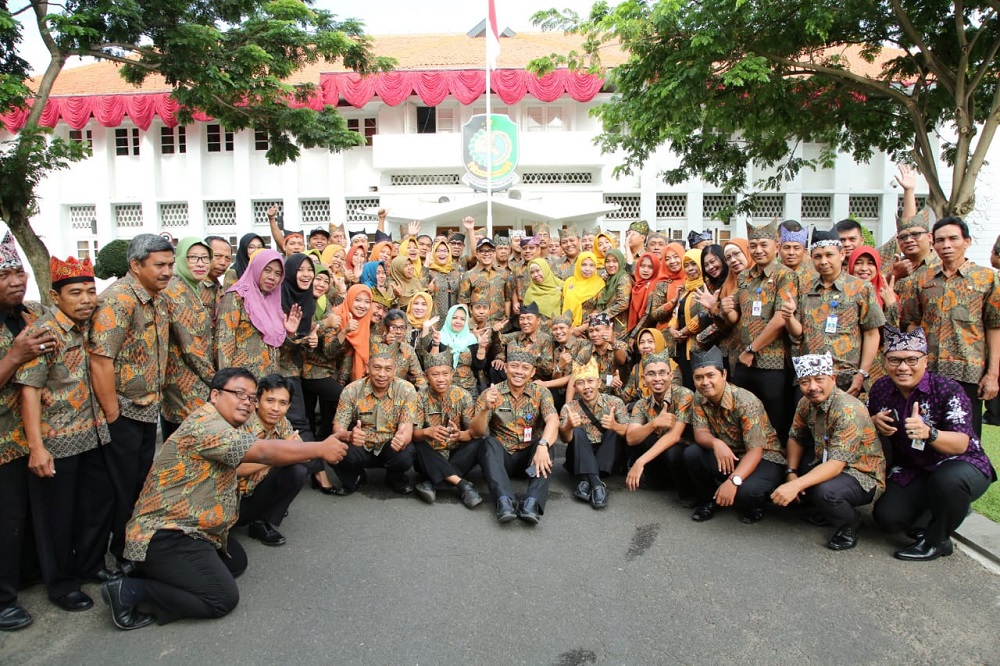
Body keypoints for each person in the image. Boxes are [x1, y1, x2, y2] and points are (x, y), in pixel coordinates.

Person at [101, 368, 348, 630]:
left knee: (235, 562)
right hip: (166, 532)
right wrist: (319, 448)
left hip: (199, 528)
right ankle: (129, 591)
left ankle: (149, 571)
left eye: (252, 398)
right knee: (221, 598)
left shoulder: (228, 424)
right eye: (239, 394)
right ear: (215, 395)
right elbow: (262, 452)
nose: (247, 402)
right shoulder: (208, 426)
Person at [17, 256, 110, 613]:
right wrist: (37, 448)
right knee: (57, 517)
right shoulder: (44, 333)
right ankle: (61, 584)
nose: (86, 299)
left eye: (90, 291)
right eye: (76, 293)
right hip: (57, 440)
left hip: (95, 433)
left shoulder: (91, 326)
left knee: (95, 507)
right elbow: (29, 390)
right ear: (56, 297)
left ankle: (89, 565)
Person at [868, 327, 997, 561]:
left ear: (925, 361)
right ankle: (945, 510)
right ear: (885, 361)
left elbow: (960, 444)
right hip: (914, 468)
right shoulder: (881, 388)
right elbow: (863, 426)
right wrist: (873, 421)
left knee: (948, 481)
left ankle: (937, 542)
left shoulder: (948, 389)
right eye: (895, 360)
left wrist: (931, 433)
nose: (903, 367)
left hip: (960, 463)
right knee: (888, 518)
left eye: (911, 360)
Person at [90, 234, 174, 570]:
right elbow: (100, 359)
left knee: (139, 484)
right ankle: (114, 557)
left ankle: (133, 549)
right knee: (120, 489)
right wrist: (112, 414)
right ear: (136, 265)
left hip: (147, 409)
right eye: (160, 265)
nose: (168, 271)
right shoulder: (118, 300)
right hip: (122, 412)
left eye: (170, 264)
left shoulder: (156, 298)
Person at [0, 241, 66, 629]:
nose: (14, 282)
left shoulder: (32, 314)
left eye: (18, 274)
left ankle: (26, 573)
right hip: (3, 442)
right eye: (4, 276)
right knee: (5, 520)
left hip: (36, 435)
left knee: (28, 515)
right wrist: (14, 356)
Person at [770, 352, 885, 551]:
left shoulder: (848, 409)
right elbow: (795, 437)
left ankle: (850, 523)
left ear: (833, 379)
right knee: (784, 468)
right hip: (825, 460)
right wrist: (791, 473)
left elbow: (836, 465)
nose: (812, 387)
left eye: (819, 379)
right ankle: (824, 510)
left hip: (861, 472)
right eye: (805, 382)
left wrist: (795, 485)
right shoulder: (805, 403)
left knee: (826, 492)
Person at [899, 216, 1000, 436]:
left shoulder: (987, 279)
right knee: (925, 432)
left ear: (967, 241)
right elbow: (911, 322)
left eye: (953, 239)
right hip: (928, 371)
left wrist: (992, 374)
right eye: (940, 240)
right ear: (933, 243)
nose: (946, 245)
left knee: (966, 435)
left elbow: (994, 326)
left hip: (969, 372)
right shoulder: (921, 280)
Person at [684, 346, 787, 523]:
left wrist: (733, 481)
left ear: (723, 374)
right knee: (692, 454)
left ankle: (755, 503)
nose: (705, 382)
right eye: (699, 377)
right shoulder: (699, 397)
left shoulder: (746, 402)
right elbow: (700, 432)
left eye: (710, 375)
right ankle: (709, 499)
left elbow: (755, 451)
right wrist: (717, 444)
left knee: (746, 493)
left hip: (765, 456)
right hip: (730, 452)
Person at [780, 230, 884, 396]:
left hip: (845, 377)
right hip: (810, 376)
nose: (824, 261)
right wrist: (789, 317)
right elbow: (798, 334)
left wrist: (862, 373)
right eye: (818, 256)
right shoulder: (805, 287)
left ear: (842, 255)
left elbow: (872, 333)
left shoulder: (860, 288)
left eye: (829, 255)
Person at [720, 219, 797, 441]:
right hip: (743, 359)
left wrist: (753, 349)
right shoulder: (745, 277)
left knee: (773, 419)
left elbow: (781, 318)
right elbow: (738, 317)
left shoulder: (785, 276)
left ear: (777, 246)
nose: (758, 250)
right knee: (741, 414)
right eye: (753, 245)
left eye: (764, 244)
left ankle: (774, 466)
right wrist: (726, 310)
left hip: (770, 361)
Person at [472, 351, 560, 524]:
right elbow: (477, 432)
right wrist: (485, 409)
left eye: (525, 368)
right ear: (505, 368)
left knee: (547, 445)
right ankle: (504, 501)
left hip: (530, 458)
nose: (519, 372)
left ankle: (532, 503)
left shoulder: (541, 393)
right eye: (514, 366)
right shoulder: (492, 393)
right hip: (502, 458)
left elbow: (553, 419)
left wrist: (543, 445)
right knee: (487, 443)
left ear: (533, 372)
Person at [330, 351, 419, 496]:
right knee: (334, 448)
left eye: (388, 369)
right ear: (367, 367)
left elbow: (407, 427)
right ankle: (355, 476)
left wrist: (403, 438)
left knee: (406, 452)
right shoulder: (351, 390)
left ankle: (394, 476)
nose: (382, 374)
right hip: (361, 443)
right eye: (377, 368)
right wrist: (349, 435)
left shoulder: (406, 389)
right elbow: (338, 428)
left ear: (395, 370)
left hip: (389, 444)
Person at [236, 374, 310, 547]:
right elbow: (236, 469)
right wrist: (274, 457)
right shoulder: (242, 423)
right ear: (257, 401)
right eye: (270, 401)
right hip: (232, 499)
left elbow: (304, 455)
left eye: (282, 403)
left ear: (289, 406)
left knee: (298, 469)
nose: (275, 408)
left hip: (256, 489)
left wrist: (286, 452)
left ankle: (261, 521)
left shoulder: (282, 422)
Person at [160, 238, 217, 440]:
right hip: (184, 385)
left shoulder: (194, 288)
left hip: (195, 381)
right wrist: (217, 380)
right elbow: (190, 346)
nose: (201, 263)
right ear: (182, 260)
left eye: (205, 258)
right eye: (193, 258)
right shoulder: (175, 291)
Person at [411, 353, 484, 508]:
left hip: (455, 453)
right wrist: (426, 432)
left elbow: (472, 433)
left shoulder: (463, 396)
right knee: (416, 444)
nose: (441, 379)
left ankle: (432, 482)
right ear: (426, 376)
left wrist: (460, 435)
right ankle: (462, 484)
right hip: (430, 453)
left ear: (452, 374)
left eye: (445, 374)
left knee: (481, 442)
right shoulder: (419, 397)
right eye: (435, 374)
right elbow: (414, 434)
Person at [216, 249, 301, 379]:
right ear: (256, 268)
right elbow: (224, 341)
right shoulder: (237, 296)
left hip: (267, 384)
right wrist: (227, 383)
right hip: (241, 383)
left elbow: (278, 351)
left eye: (278, 273)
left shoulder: (273, 303)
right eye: (267, 270)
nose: (272, 277)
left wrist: (289, 334)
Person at [559, 359, 629, 509]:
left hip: (608, 460)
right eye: (580, 383)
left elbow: (628, 435)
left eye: (590, 381)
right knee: (576, 431)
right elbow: (565, 439)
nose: (586, 387)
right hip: (578, 456)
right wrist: (568, 427)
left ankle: (586, 480)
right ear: (575, 387)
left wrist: (615, 426)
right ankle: (597, 484)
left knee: (613, 430)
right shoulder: (569, 408)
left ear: (598, 382)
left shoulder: (615, 402)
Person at [625, 353, 694, 502]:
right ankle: (659, 481)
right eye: (651, 374)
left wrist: (640, 462)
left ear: (670, 375)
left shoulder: (684, 395)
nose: (657, 378)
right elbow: (631, 438)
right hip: (660, 453)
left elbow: (674, 436)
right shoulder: (642, 404)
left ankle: (688, 494)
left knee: (673, 451)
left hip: (684, 451)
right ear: (644, 379)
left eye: (662, 373)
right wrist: (654, 423)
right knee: (642, 436)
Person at [428, 304, 490, 396]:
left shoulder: (471, 339)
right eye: (455, 318)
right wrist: (436, 343)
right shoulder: (439, 336)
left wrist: (481, 347)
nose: (458, 321)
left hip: (468, 389)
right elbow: (431, 363)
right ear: (449, 319)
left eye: (462, 319)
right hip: (443, 390)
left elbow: (478, 366)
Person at [667, 249, 706, 390]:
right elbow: (677, 312)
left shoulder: (707, 287)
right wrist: (672, 329)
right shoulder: (685, 288)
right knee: (687, 384)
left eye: (694, 264)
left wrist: (684, 331)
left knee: (699, 385)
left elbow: (703, 314)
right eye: (687, 265)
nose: (690, 269)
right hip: (682, 345)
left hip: (698, 346)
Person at [458, 237, 510, 324]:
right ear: (477, 254)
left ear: (494, 253)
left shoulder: (503, 274)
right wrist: (468, 323)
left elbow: (508, 298)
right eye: (482, 251)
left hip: (500, 325)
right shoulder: (468, 275)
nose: (486, 254)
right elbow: (463, 302)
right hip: (478, 326)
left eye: (490, 250)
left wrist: (507, 318)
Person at [576, 313, 628, 397]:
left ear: (608, 330)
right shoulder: (586, 351)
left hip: (615, 397)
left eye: (597, 330)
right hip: (591, 397)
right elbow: (575, 377)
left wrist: (613, 342)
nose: (594, 335)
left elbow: (622, 361)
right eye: (591, 331)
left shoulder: (620, 345)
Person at [374, 309, 426, 389]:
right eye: (394, 327)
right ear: (386, 328)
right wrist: (386, 345)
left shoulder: (408, 350)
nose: (398, 332)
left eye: (402, 328)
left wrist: (421, 393)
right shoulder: (375, 344)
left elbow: (419, 377)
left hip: (399, 393)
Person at [593, 249, 632, 338]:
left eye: (615, 261)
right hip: (605, 327)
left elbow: (623, 304)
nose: (611, 265)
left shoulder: (623, 278)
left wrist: (600, 317)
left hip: (618, 330)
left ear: (621, 262)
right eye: (607, 261)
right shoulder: (608, 279)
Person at [562, 251, 605, 329]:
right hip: (567, 328)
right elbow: (562, 304)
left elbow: (600, 310)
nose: (587, 269)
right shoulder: (569, 282)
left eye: (591, 265)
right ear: (578, 265)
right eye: (584, 265)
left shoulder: (599, 283)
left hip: (590, 329)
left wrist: (582, 328)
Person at [649, 242, 685, 332]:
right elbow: (654, 315)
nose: (672, 261)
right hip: (666, 333)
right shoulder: (663, 283)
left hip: (689, 332)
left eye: (676, 257)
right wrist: (672, 302)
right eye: (668, 259)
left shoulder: (692, 280)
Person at [627, 253, 663, 336]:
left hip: (649, 332)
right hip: (635, 331)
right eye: (642, 266)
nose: (645, 270)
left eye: (650, 267)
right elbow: (630, 267)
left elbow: (648, 315)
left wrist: (634, 336)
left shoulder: (656, 286)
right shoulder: (637, 284)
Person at [423, 240, 460, 320]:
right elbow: (420, 288)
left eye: (445, 251)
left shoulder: (455, 273)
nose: (442, 254)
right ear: (434, 253)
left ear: (449, 253)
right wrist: (429, 290)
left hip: (454, 318)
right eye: (438, 251)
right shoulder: (429, 271)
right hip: (436, 318)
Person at [202, 236, 233, 313]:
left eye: (227, 258)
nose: (223, 262)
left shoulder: (222, 288)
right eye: (218, 256)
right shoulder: (194, 287)